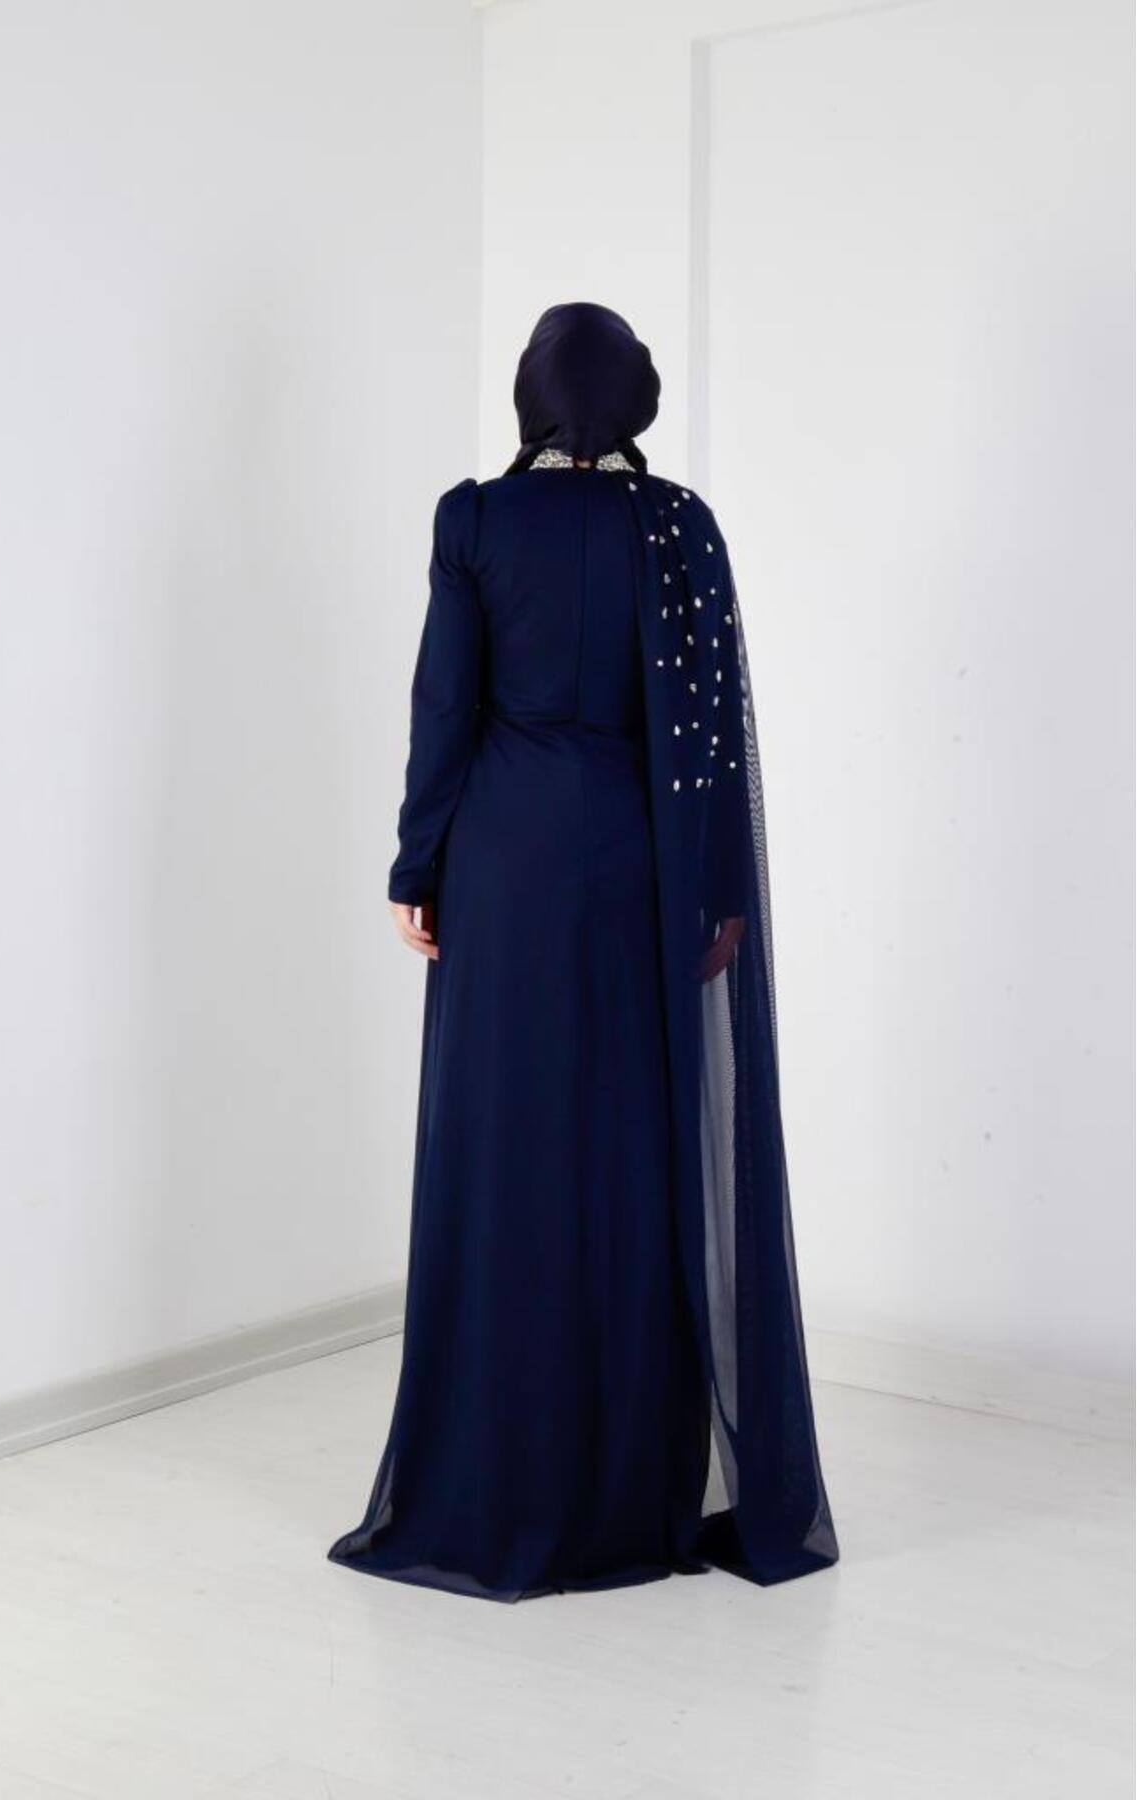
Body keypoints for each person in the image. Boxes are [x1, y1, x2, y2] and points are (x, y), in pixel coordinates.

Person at [328, 302, 838, 1601]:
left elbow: (444, 707)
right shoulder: (678, 526)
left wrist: (416, 865)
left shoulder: (476, 520)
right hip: (637, 870)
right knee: (627, 1154)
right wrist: (715, 895)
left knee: (503, 1148)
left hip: (503, 870)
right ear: (637, 400)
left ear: (530, 397)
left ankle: (495, 1476)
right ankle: (627, 1494)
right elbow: (711, 739)